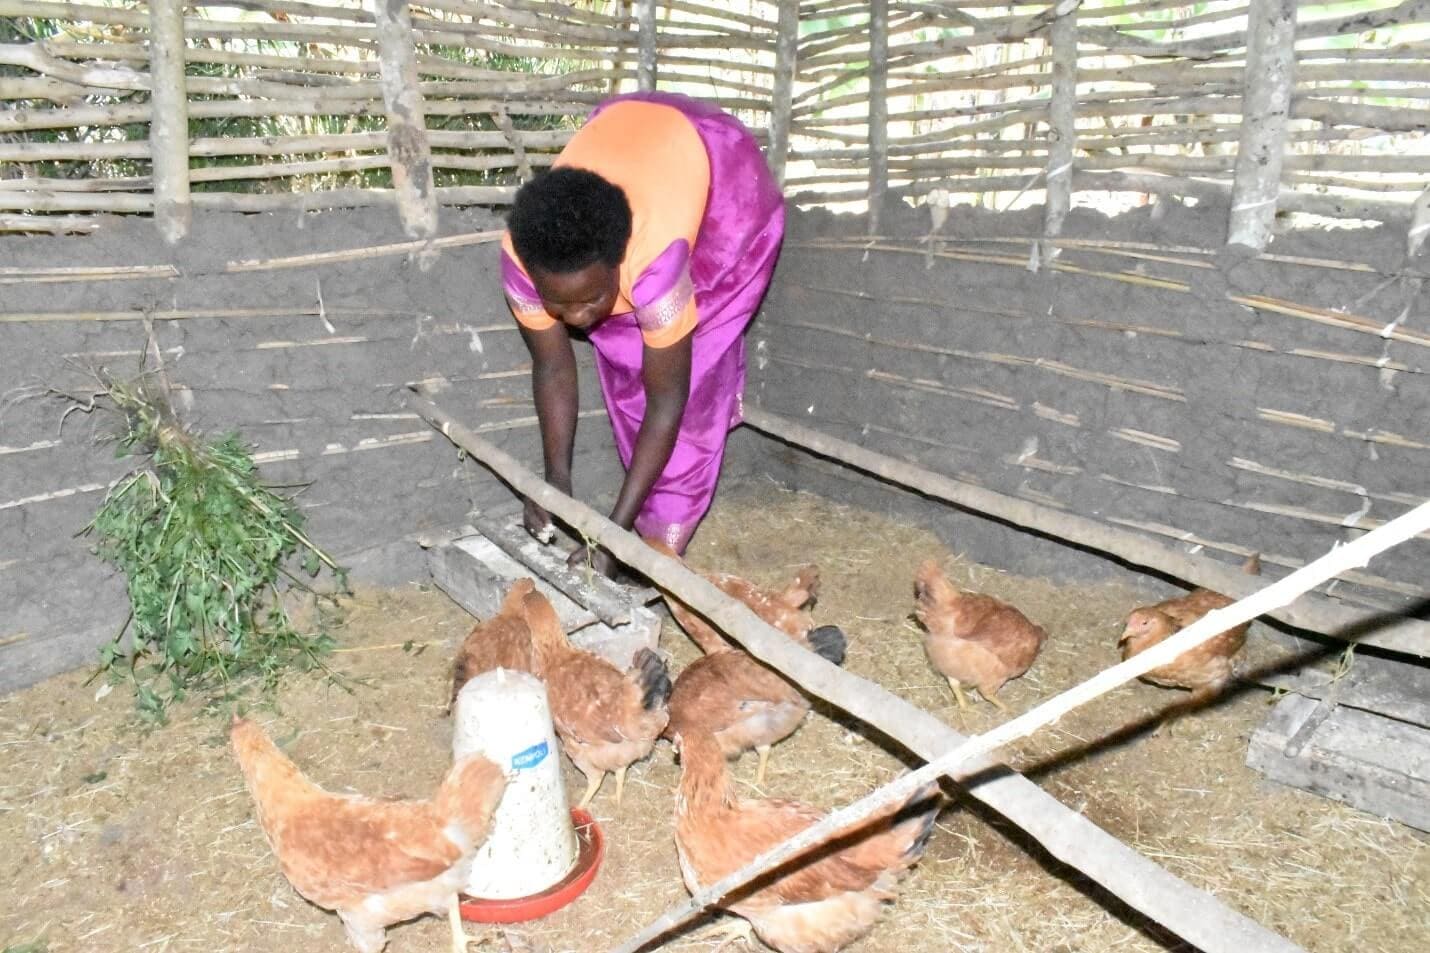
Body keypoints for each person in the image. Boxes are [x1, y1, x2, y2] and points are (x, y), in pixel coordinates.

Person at [501, 91, 785, 577]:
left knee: (691, 384)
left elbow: (666, 401)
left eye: (591, 298)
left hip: (721, 175)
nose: (575, 319)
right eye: (559, 303)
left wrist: (614, 538)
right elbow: (552, 366)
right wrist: (555, 485)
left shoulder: (655, 264)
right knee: (632, 349)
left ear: (620, 262)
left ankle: (663, 533)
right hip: (626, 128)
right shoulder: (522, 261)